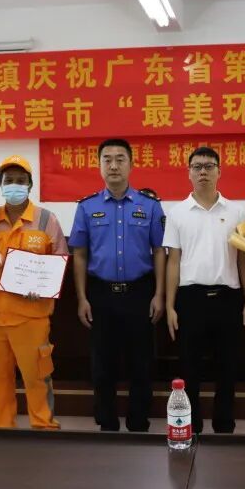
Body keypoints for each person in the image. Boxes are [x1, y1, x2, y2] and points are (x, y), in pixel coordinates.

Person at [0, 155, 68, 429]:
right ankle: (2, 429)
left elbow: (60, 260)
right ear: (1, 184)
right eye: (9, 180)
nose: (14, 185)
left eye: (21, 180)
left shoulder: (46, 219)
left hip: (32, 317)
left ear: (30, 184)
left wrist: (43, 287)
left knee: (37, 378)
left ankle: (43, 427)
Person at [71, 138, 166, 432]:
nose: (113, 165)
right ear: (99, 165)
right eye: (107, 159)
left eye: (120, 159)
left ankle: (139, 422)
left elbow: (159, 251)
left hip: (140, 293)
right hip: (101, 294)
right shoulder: (87, 207)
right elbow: (79, 254)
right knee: (102, 364)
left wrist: (159, 294)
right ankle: (107, 423)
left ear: (131, 164)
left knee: (141, 363)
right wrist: (82, 297)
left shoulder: (150, 206)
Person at [164, 146, 245, 434]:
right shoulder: (177, 213)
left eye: (209, 166)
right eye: (197, 166)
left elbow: (244, 260)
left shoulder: (237, 212)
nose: (203, 171)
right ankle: (191, 426)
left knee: (227, 366)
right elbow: (173, 261)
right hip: (190, 299)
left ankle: (224, 425)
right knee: (189, 367)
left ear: (219, 171)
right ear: (189, 172)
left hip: (228, 298)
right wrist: (169, 305)